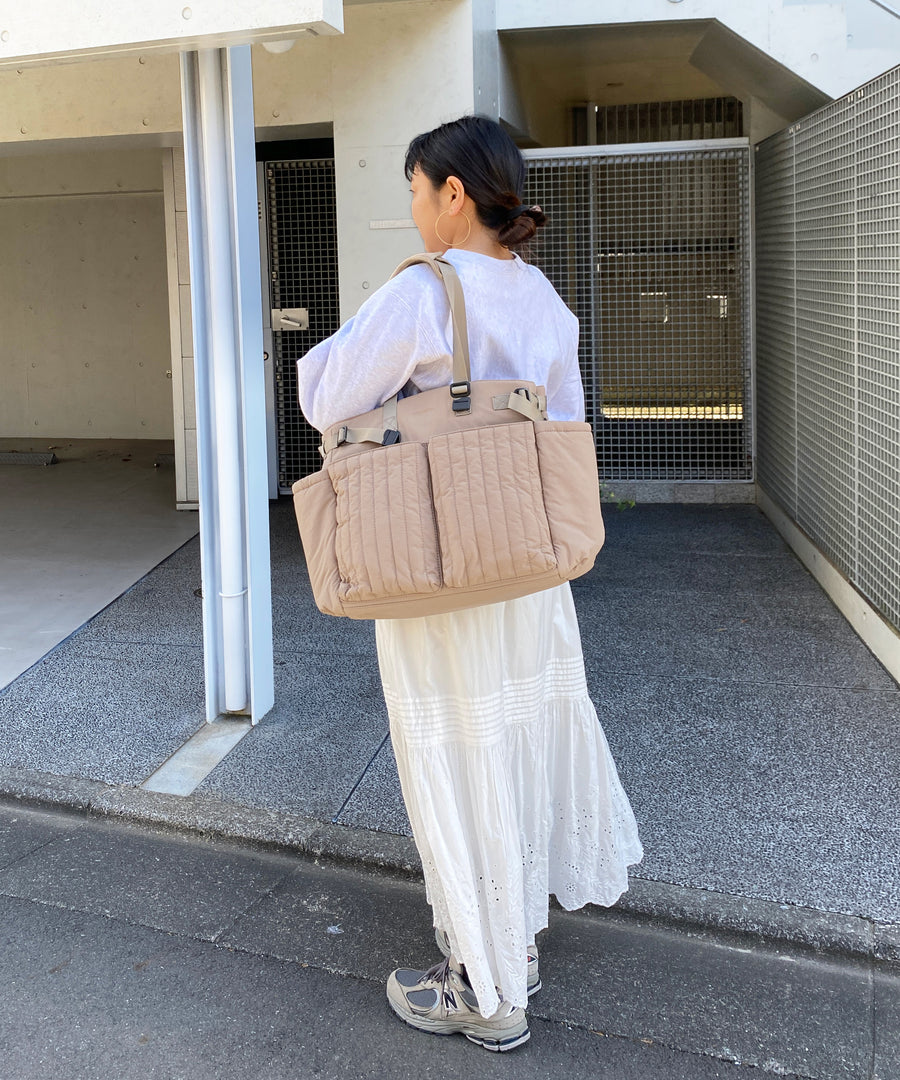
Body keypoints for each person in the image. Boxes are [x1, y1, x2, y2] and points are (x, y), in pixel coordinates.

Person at [297, 115, 643, 1052]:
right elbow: (561, 426)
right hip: (525, 573)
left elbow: (324, 397)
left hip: (439, 569)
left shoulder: (422, 294)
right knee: (516, 745)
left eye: (415, 189)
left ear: (454, 193)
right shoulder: (542, 300)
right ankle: (511, 943)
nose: (411, 209)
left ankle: (487, 994)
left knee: (453, 753)